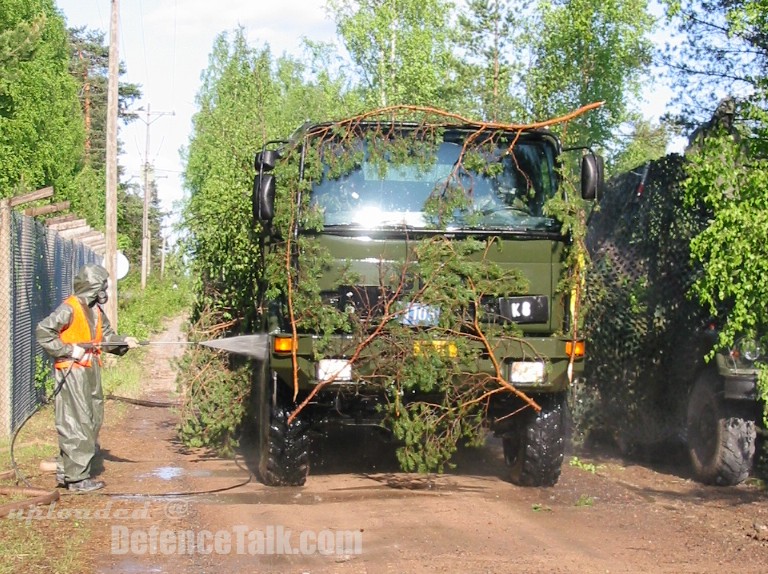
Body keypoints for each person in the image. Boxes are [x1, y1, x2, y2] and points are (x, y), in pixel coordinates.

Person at [36, 264, 139, 493]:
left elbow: (107, 337)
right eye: (102, 286)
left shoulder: (95, 310)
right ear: (92, 287)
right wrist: (69, 350)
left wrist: (124, 342)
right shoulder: (70, 308)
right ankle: (77, 479)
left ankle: (67, 470)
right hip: (72, 370)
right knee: (78, 421)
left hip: (90, 369)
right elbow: (44, 331)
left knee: (92, 419)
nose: (105, 291)